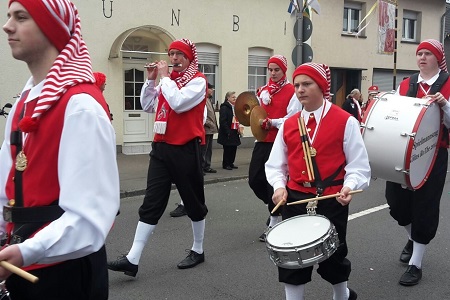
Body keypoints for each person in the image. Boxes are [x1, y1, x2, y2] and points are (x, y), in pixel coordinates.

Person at [0, 1, 120, 299]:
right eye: (8, 16)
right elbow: (6, 183)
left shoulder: (81, 107)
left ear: (50, 28)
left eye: (21, 17)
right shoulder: (22, 103)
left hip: (66, 271)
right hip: (22, 256)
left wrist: (27, 252)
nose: (7, 25)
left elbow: (90, 218)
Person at [265, 62, 370, 300]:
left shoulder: (345, 121)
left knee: (334, 255)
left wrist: (350, 187)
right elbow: (276, 164)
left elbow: (359, 166)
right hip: (295, 197)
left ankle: (342, 295)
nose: (300, 89)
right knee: (291, 258)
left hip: (331, 198)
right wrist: (279, 187)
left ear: (322, 86)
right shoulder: (289, 124)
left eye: (306, 84)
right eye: (296, 85)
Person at [107, 38, 208, 276]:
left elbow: (179, 103)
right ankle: (132, 259)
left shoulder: (198, 82)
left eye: (179, 55)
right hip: (161, 148)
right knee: (151, 203)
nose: (173, 59)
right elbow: (148, 105)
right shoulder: (168, 82)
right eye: (171, 54)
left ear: (189, 58)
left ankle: (198, 249)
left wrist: (163, 79)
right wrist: (152, 80)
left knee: (193, 202)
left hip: (185, 148)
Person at [385, 39, 450, 286]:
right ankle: (413, 237)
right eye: (419, 53)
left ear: (438, 58)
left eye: (428, 54)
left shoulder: (449, 85)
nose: (422, 58)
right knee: (396, 202)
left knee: (425, 206)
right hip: (404, 153)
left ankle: (416, 263)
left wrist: (445, 105)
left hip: (434, 154)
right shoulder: (406, 84)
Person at [248, 55, 302, 242]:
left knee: (274, 182)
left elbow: (292, 117)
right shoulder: (264, 90)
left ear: (284, 70)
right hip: (262, 141)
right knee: (254, 180)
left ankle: (274, 221)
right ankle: (276, 207)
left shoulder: (292, 92)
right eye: (270, 69)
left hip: (279, 141)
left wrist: (273, 122)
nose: (273, 73)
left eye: (276, 69)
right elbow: (256, 113)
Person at [217, 91, 241, 170]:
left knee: (234, 148)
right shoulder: (224, 107)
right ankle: (226, 164)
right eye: (233, 97)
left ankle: (231, 162)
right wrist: (227, 131)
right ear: (228, 98)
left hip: (234, 130)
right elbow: (223, 121)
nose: (235, 98)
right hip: (227, 132)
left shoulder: (235, 107)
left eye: (235, 97)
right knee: (228, 149)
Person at [202, 83, 219, 174]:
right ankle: (201, 167)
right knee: (203, 150)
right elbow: (203, 116)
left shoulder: (209, 100)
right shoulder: (203, 100)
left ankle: (207, 166)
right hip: (206, 129)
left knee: (209, 149)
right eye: (211, 89)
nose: (212, 91)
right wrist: (210, 124)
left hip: (211, 129)